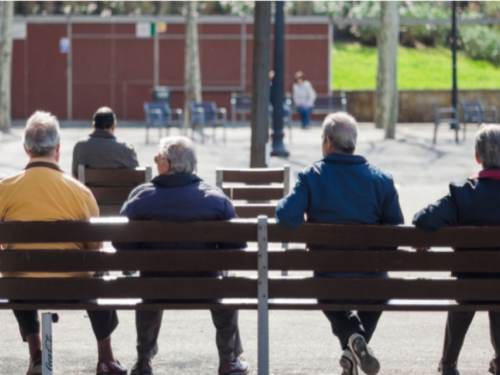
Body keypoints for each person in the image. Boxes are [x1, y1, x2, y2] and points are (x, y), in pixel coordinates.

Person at [275, 112, 404, 375]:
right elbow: (395, 236)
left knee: (325, 287)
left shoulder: (312, 176)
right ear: (353, 142)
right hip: (373, 281)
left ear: (328, 143)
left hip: (328, 278)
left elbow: (286, 216)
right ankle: (355, 345)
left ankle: (352, 340)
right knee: (381, 288)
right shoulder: (382, 180)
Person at [0, 111, 127, 375]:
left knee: (15, 272)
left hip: (22, 287)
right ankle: (106, 357)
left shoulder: (5, 188)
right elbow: (96, 252)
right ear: (58, 149)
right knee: (99, 272)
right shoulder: (80, 192)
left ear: (26, 149)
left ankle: (37, 352)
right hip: (74, 286)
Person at [113, 136, 249, 375]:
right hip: (206, 288)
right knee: (223, 280)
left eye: (157, 159)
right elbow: (237, 244)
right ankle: (228, 360)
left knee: (149, 280)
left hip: (155, 289)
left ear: (166, 164)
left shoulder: (141, 197)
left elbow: (121, 243)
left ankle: (143, 360)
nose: (156, 163)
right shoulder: (216, 199)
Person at [413, 124, 500, 375]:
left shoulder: (463, 193)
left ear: (477, 156)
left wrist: (426, 236)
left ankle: (449, 364)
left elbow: (423, 219)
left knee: (469, 292)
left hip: (467, 287)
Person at [72, 106, 139, 178]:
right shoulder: (127, 149)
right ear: (113, 126)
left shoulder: (80, 147)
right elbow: (137, 177)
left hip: (89, 189)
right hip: (120, 189)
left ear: (94, 126)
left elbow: (75, 175)